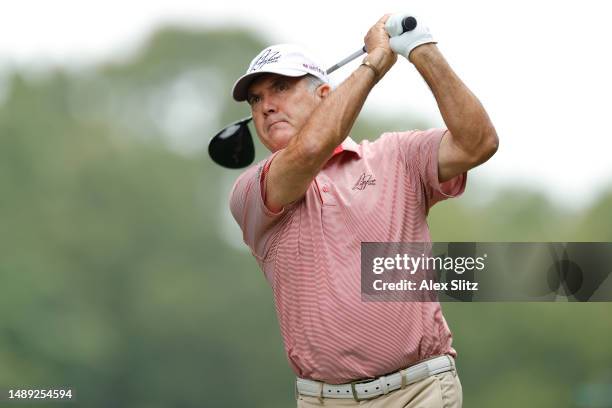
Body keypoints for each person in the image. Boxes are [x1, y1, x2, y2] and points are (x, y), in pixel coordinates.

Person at [228, 13, 498, 408]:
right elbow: (306, 153)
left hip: (419, 392)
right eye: (256, 100)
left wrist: (420, 48)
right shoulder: (251, 192)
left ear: (324, 95)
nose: (266, 106)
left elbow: (478, 143)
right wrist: (372, 65)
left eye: (280, 88)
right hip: (323, 400)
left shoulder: (396, 157)